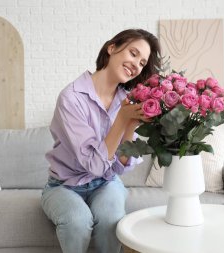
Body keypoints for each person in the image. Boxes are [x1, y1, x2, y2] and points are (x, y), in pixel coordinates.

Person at [41, 29, 161, 253]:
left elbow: (118, 167)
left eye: (142, 63)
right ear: (112, 47)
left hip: (106, 183)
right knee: (77, 221)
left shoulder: (126, 101)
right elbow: (93, 165)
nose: (136, 64)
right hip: (63, 186)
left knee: (112, 219)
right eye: (133, 53)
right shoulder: (71, 97)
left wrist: (131, 126)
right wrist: (122, 120)